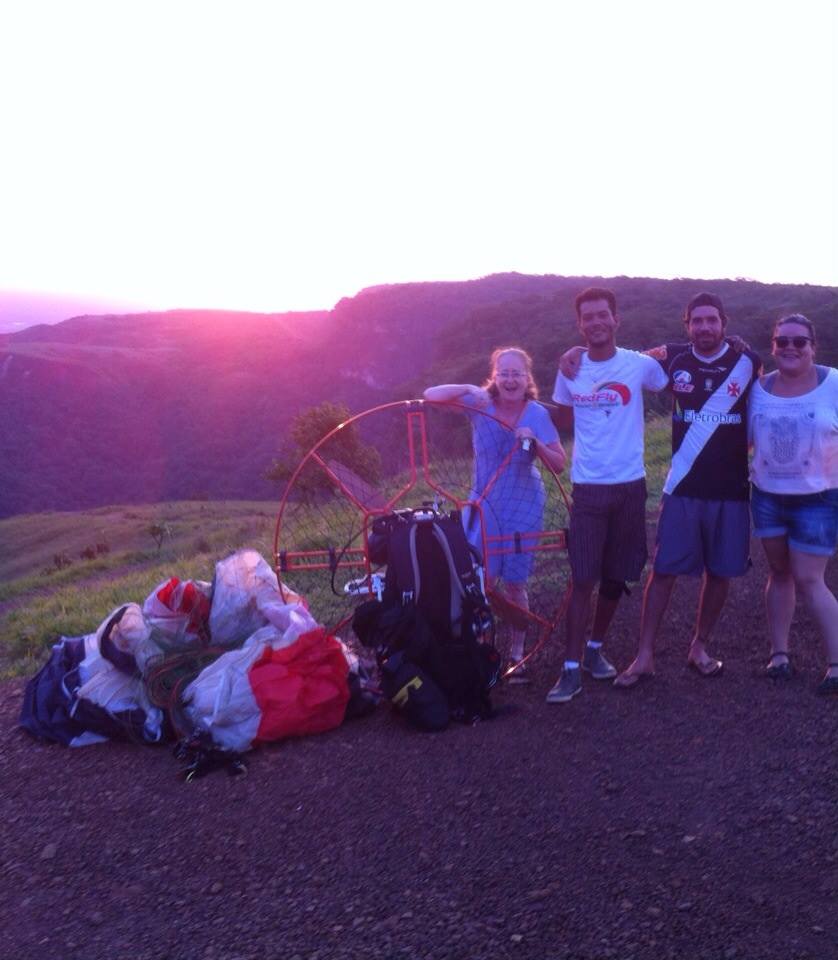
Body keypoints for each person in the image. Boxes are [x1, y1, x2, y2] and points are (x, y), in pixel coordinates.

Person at [614, 292, 761, 687]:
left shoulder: (748, 361)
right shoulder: (674, 356)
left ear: (724, 324)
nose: (705, 327)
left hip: (731, 488)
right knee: (663, 572)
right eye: (697, 321)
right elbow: (623, 362)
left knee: (721, 571)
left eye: (712, 320)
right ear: (687, 325)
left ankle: (700, 645)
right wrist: (577, 353)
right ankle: (644, 655)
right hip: (682, 487)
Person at [546, 288, 670, 703]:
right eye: (588, 318)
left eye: (603, 315)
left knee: (617, 576)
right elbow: (562, 418)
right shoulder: (569, 369)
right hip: (588, 487)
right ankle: (569, 670)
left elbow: (674, 374)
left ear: (616, 319)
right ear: (580, 324)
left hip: (631, 485)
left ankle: (596, 652)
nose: (596, 322)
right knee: (583, 578)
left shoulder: (638, 366)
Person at [423, 348, 567, 676]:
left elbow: (558, 464)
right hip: (482, 504)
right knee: (478, 579)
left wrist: (535, 443)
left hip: (524, 505)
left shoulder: (537, 415)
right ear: (495, 376)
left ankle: (517, 652)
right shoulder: (479, 405)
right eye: (504, 373)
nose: (510, 379)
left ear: (527, 379)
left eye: (517, 373)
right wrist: (467, 389)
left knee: (515, 582)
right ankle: (481, 647)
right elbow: (431, 396)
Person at [748, 314, 838, 694]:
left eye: (799, 342)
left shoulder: (833, 383)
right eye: (782, 341)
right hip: (767, 495)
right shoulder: (757, 389)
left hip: (818, 498)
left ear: (812, 346)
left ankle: (835, 663)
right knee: (779, 573)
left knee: (809, 578)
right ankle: (779, 654)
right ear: (773, 346)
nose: (790, 348)